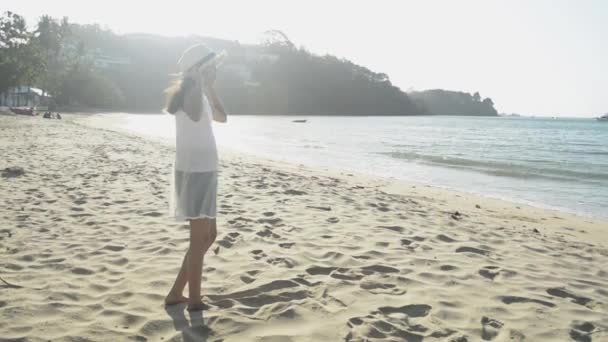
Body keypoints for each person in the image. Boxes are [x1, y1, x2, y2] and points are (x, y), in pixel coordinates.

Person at [163, 44, 228, 311]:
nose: (214, 69)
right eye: (209, 66)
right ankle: (195, 300)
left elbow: (222, 118)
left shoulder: (199, 92)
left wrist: (210, 87)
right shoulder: (186, 94)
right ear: (197, 68)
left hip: (206, 169)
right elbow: (194, 113)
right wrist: (196, 80)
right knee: (198, 237)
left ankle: (176, 292)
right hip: (195, 171)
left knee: (210, 234)